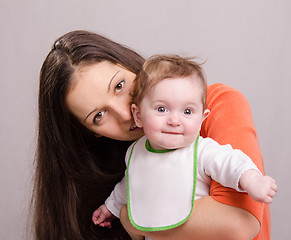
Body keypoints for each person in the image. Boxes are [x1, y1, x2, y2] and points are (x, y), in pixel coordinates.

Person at [34, 30, 272, 240]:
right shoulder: (134, 155)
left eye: (119, 86)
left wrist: (129, 217)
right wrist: (112, 208)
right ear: (92, 133)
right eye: (98, 115)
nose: (124, 114)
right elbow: (125, 187)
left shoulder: (217, 104)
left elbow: (240, 224)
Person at [92, 55, 277, 240]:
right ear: (138, 115)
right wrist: (111, 208)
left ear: (202, 119)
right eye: (161, 109)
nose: (174, 121)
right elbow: (130, 185)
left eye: (187, 112)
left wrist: (253, 181)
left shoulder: (201, 150)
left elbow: (231, 162)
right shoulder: (135, 152)